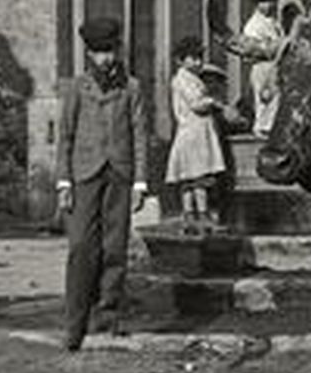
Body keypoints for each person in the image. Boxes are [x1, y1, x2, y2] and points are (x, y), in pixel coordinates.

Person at [55, 17, 149, 350]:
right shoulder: (77, 88)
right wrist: (63, 181)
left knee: (114, 248)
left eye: (110, 51)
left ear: (117, 50)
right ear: (89, 54)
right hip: (83, 175)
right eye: (99, 53)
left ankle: (107, 317)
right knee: (81, 247)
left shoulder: (132, 88)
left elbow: (139, 134)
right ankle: (74, 323)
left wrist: (139, 182)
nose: (106, 59)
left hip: (119, 175)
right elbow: (65, 136)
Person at [165, 36, 227, 234]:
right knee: (197, 176)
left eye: (200, 58)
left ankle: (192, 214)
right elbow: (196, 104)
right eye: (192, 58)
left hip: (197, 132)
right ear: (180, 60)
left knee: (191, 177)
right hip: (192, 132)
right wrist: (214, 103)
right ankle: (198, 213)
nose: (198, 62)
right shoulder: (182, 80)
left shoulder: (192, 78)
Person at [231, 0, 286, 137]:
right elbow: (254, 48)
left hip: (275, 64)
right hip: (262, 65)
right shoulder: (253, 25)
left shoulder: (274, 22)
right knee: (264, 96)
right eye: (263, 2)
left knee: (276, 97)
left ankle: (272, 126)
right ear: (256, 4)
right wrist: (274, 46)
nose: (268, 6)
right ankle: (262, 127)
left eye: (270, 2)